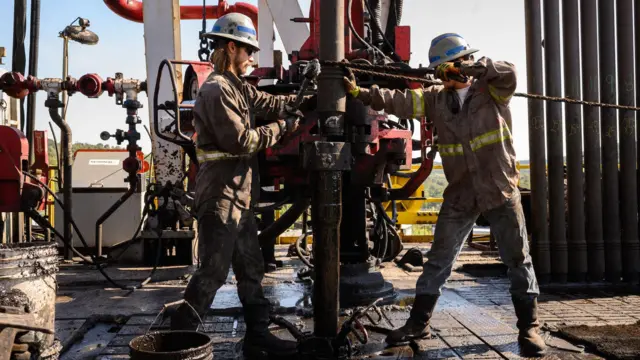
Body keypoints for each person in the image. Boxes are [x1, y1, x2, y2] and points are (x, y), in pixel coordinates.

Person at [343, 33, 546, 357]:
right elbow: (399, 100)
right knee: (438, 260)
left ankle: (529, 327)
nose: (445, 74)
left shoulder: (491, 90)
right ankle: (419, 322)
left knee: (517, 259)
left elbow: (510, 73)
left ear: (464, 62)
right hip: (461, 192)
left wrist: (479, 68)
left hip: (499, 187)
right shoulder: (436, 99)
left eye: (450, 67)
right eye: (441, 70)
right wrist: (359, 92)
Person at [170, 12, 314, 357]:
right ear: (231, 47)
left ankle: (258, 336)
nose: (252, 58)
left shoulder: (238, 87)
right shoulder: (217, 90)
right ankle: (176, 339)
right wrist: (282, 128)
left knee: (251, 267)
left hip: (239, 195)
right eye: (248, 50)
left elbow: (272, 103)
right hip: (220, 196)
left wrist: (309, 95)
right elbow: (243, 142)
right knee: (213, 272)